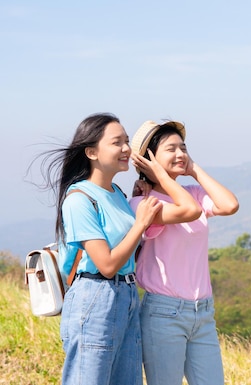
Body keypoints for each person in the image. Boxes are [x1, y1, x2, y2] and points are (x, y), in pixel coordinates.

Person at [33, 113, 165, 384]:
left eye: (127, 141)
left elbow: (128, 254)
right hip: (96, 297)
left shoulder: (117, 193)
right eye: (117, 143)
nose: (127, 149)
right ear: (91, 151)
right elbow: (106, 265)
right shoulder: (78, 199)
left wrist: (137, 203)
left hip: (127, 294)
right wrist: (139, 224)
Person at [129, 120, 239, 385]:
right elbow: (189, 210)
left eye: (184, 147)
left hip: (203, 312)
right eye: (171, 149)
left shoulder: (193, 193)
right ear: (150, 159)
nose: (180, 153)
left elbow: (230, 205)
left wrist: (194, 170)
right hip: (165, 313)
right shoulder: (143, 203)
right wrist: (162, 177)